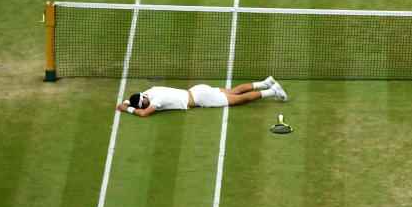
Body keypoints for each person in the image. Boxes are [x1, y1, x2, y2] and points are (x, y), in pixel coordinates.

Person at [116, 76, 287, 117]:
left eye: (142, 104)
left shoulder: (156, 101)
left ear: (144, 100)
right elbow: (133, 99)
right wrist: (126, 102)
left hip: (201, 99)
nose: (144, 106)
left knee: (238, 100)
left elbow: (145, 113)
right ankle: (266, 82)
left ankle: (273, 91)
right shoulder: (151, 90)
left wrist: (128, 108)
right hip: (198, 89)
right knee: (234, 91)